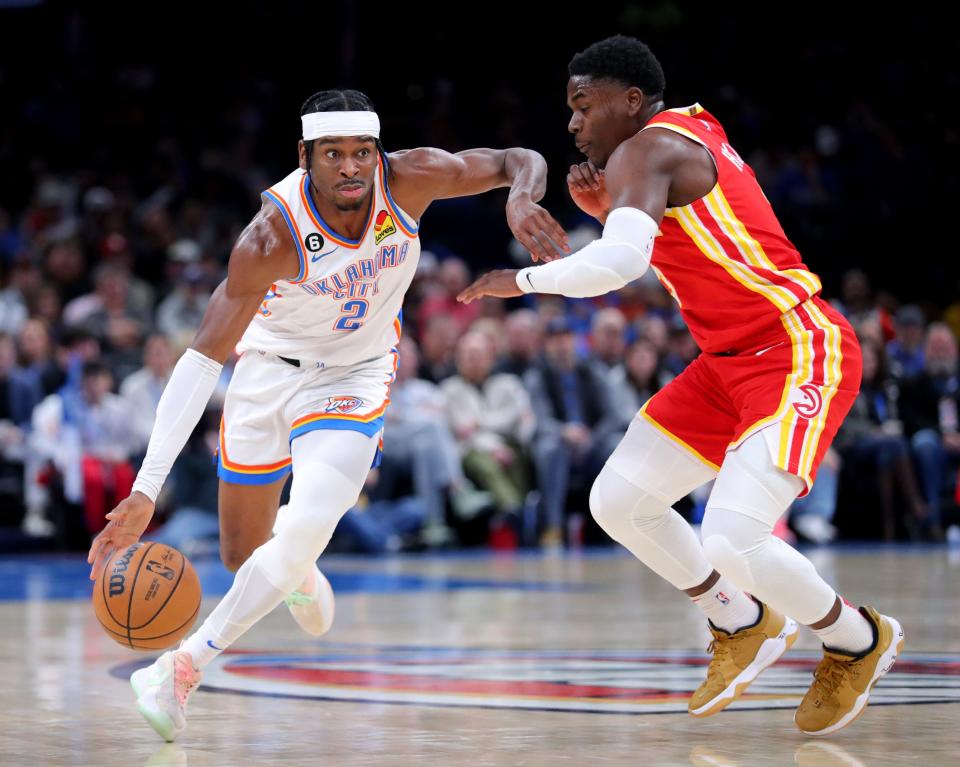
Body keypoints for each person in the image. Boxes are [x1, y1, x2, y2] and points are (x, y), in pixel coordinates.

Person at [86, 88, 569, 742]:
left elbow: (520, 156)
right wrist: (147, 488)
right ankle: (297, 562)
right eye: (333, 154)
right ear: (305, 157)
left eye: (361, 153)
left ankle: (181, 668)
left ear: (377, 154)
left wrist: (519, 196)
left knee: (307, 517)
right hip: (268, 374)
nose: (350, 167)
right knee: (243, 553)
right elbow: (202, 359)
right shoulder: (270, 236)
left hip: (355, 376)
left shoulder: (412, 177)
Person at [459, 36, 902, 736]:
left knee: (731, 537)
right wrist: (613, 211)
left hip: (794, 347)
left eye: (584, 105)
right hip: (725, 362)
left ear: (632, 102)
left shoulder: (648, 148)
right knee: (619, 499)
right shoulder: (682, 133)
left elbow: (619, 267)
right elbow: (686, 240)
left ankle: (855, 636)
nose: (572, 124)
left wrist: (516, 280)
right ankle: (743, 620)